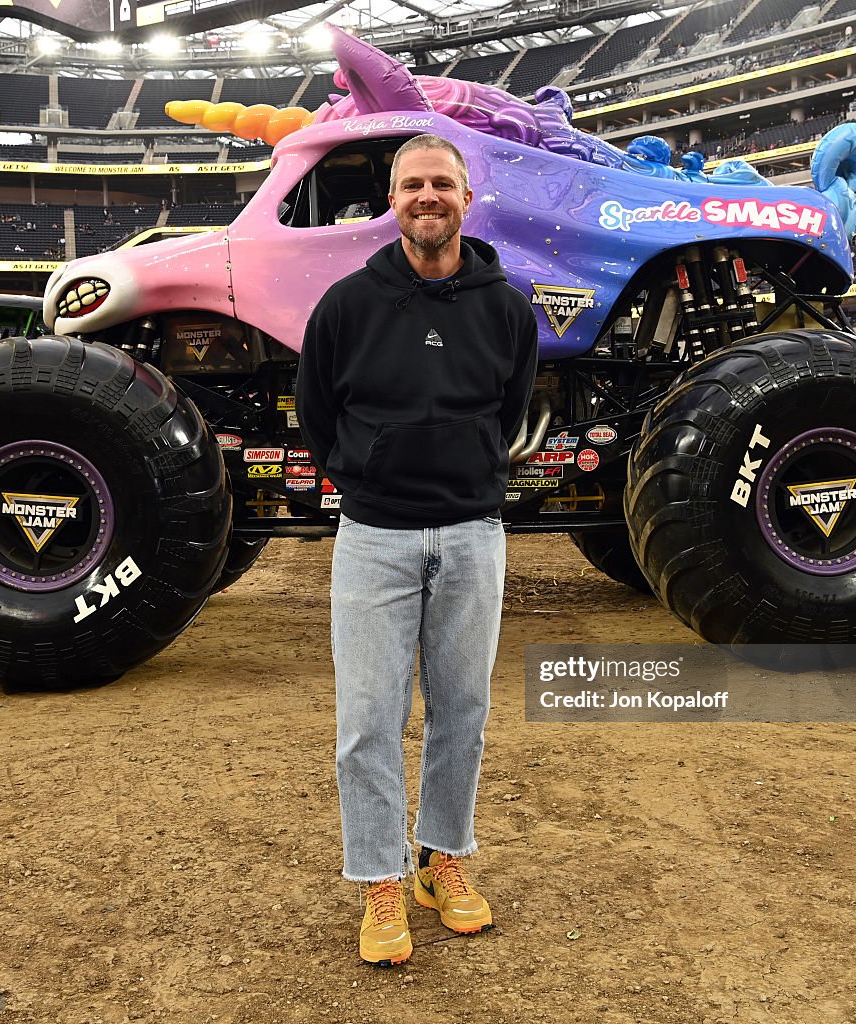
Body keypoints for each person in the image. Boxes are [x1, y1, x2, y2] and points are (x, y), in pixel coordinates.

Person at [296, 134, 538, 965]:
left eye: (442, 183)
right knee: (367, 723)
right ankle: (379, 879)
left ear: (467, 199)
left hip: (473, 532)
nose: (427, 196)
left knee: (462, 714)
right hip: (374, 537)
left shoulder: (507, 307)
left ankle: (443, 861)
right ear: (391, 201)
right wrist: (369, 476)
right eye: (411, 185)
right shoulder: (346, 306)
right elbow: (317, 414)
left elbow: (508, 411)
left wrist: (462, 472)